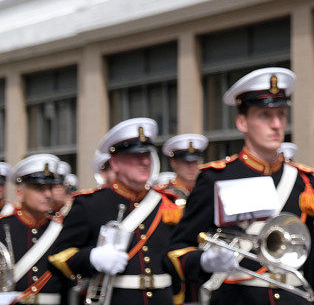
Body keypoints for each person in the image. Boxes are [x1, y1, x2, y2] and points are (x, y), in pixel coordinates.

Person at [166, 67, 314, 304]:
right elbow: (177, 249)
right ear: (242, 122)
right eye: (265, 115)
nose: (276, 124)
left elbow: (310, 253)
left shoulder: (301, 179)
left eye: (281, 114)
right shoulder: (217, 177)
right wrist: (204, 261)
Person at [48, 118, 183, 304]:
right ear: (115, 163)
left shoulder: (166, 203)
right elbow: (59, 257)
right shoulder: (90, 204)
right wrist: (92, 258)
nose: (144, 162)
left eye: (147, 154)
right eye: (135, 156)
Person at [0, 154, 68, 304]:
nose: (48, 194)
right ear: (20, 192)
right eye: (39, 188)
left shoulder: (61, 229)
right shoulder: (3, 226)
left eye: (50, 187)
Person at [161, 134, 208, 207]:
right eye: (186, 162)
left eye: (195, 162)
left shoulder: (206, 190)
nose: (191, 167)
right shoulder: (165, 193)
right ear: (173, 162)